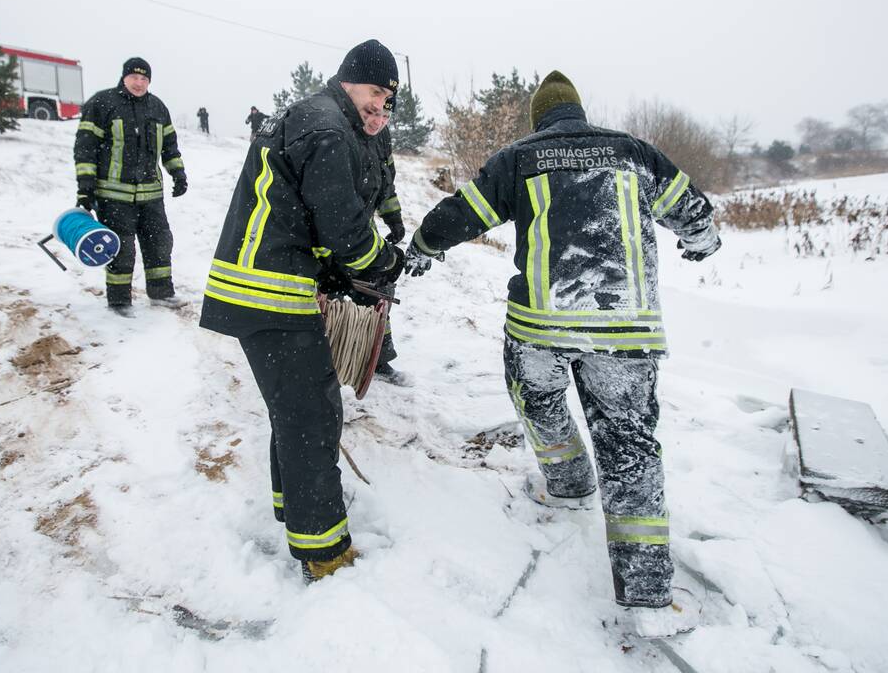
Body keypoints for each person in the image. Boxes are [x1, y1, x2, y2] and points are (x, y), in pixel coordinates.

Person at [404, 71, 721, 620]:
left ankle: (569, 481)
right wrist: (702, 240)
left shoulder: (519, 158)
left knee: (538, 398)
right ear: (579, 110)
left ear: (539, 117)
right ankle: (646, 588)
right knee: (630, 445)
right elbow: (691, 209)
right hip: (627, 328)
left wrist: (424, 246)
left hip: (542, 327)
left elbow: (461, 214)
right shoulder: (635, 153)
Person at [199, 40, 405, 583]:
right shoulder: (327, 127)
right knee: (313, 415)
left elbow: (308, 213)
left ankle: (295, 512)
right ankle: (324, 551)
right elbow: (340, 224)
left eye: (387, 101)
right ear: (350, 80)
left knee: (295, 412)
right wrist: (378, 264)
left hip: (268, 281)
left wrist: (342, 274)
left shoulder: (318, 118)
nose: (379, 108)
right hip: (268, 288)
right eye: (375, 94)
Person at [74, 57, 188, 316]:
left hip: (151, 195)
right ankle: (119, 301)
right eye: (134, 77)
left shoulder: (158, 108)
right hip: (114, 195)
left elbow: (170, 146)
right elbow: (85, 148)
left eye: (144, 78)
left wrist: (178, 174)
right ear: (124, 78)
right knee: (121, 249)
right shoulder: (103, 104)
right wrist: (85, 187)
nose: (139, 83)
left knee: (159, 243)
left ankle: (161, 293)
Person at [332, 95, 407, 381]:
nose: (379, 122)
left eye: (386, 118)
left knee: (379, 287)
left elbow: (385, 182)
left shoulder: (382, 137)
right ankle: (332, 354)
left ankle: (379, 355)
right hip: (334, 230)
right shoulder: (340, 132)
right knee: (334, 291)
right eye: (374, 115)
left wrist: (394, 218)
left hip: (364, 227)